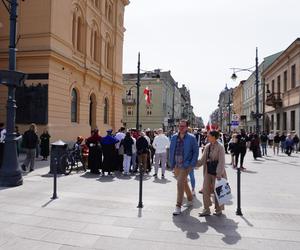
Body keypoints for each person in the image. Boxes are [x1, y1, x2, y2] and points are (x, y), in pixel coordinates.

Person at [169, 120, 199, 216]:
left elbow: (196, 151)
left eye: (183, 126)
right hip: (177, 165)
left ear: (187, 127)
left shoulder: (191, 138)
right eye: (179, 126)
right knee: (184, 182)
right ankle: (190, 199)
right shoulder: (174, 137)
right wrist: (171, 163)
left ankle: (178, 206)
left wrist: (192, 164)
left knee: (179, 183)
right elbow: (171, 150)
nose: (180, 127)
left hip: (186, 165)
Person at [198, 130, 226, 216]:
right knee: (205, 190)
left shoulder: (220, 147)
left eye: (209, 136)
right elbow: (202, 159)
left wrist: (218, 173)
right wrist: (194, 163)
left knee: (218, 190)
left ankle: (218, 209)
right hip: (208, 171)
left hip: (218, 172)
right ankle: (206, 209)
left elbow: (222, 161)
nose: (207, 137)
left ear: (214, 137)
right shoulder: (207, 146)